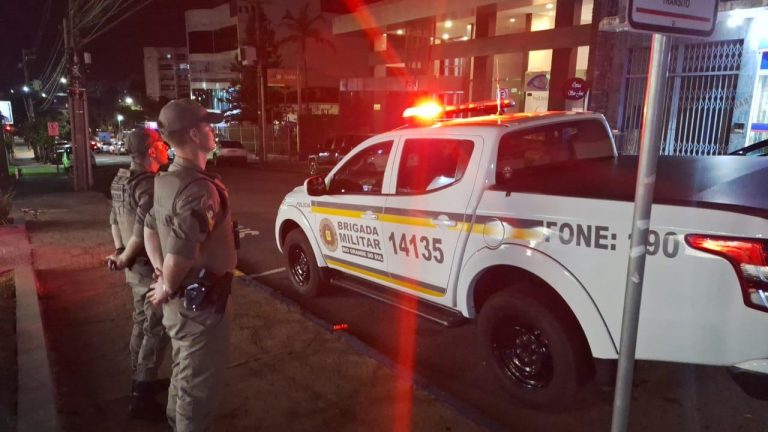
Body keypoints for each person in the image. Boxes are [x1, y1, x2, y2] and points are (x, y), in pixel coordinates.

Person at [144, 99, 236, 432]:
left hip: (182, 304)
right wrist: (166, 284)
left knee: (184, 372)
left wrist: (161, 275)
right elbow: (182, 250)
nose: (214, 131)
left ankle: (175, 422)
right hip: (201, 307)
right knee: (197, 387)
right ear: (195, 135)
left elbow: (149, 228)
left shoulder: (167, 180)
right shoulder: (199, 190)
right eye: (208, 126)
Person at [105, 127, 170, 421]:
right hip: (147, 267)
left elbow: (113, 220)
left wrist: (120, 252)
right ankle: (141, 393)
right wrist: (124, 257)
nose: (165, 148)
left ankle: (139, 378)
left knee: (140, 322)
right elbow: (142, 230)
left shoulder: (120, 180)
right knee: (155, 328)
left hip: (134, 269)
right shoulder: (150, 185)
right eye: (161, 144)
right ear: (151, 150)